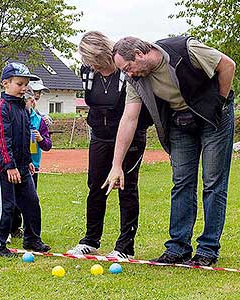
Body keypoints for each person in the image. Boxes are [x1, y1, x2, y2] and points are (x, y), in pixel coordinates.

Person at [103, 36, 236, 266]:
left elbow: (227, 65)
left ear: (139, 54)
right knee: (181, 182)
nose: (129, 74)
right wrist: (116, 165)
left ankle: (208, 249)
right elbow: (129, 118)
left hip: (214, 117)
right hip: (181, 120)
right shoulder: (136, 80)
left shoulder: (185, 49)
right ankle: (178, 248)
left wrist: (220, 103)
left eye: (128, 68)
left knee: (213, 181)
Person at [66, 31, 151, 259]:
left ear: (103, 53)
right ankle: (91, 240)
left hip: (130, 137)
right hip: (100, 137)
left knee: (126, 188)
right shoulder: (87, 73)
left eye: (91, 59)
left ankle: (125, 247)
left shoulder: (127, 73)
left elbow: (135, 110)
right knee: (96, 186)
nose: (88, 64)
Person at [0, 62, 51, 257]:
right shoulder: (0, 108)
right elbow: (1, 141)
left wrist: (26, 160)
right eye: (19, 84)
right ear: (6, 83)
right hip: (3, 168)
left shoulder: (22, 108)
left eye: (26, 85)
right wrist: (9, 166)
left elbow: (24, 137)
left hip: (22, 165)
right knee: (5, 206)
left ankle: (32, 239)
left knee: (31, 202)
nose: (24, 88)